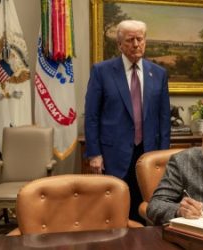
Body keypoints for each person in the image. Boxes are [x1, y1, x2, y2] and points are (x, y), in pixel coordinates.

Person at [84, 20, 171, 223]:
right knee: (114, 208)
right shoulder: (102, 71)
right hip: (113, 153)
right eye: (130, 40)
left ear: (145, 41)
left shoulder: (158, 74)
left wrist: (164, 155)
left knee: (146, 205)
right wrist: (94, 153)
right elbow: (92, 115)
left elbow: (164, 118)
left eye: (140, 39)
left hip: (148, 153)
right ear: (119, 44)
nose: (136, 44)